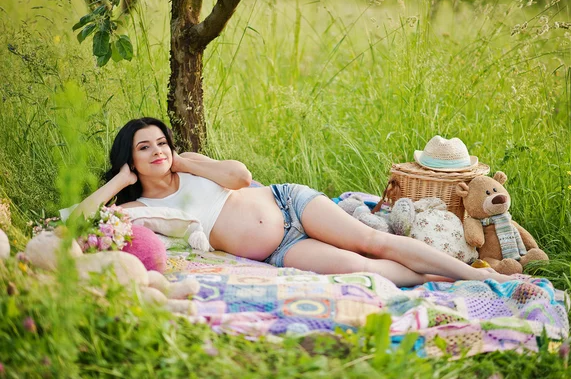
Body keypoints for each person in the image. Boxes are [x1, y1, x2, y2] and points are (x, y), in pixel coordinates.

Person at [71, 117, 512, 286]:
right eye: (144, 148)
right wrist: (117, 184)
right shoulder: (139, 211)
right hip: (279, 250)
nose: (158, 151)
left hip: (289, 202)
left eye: (161, 142)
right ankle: (454, 282)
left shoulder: (190, 164)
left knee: (372, 244)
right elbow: (74, 222)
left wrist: (187, 163)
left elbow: (240, 177)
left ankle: (480, 275)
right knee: (366, 268)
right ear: (129, 158)